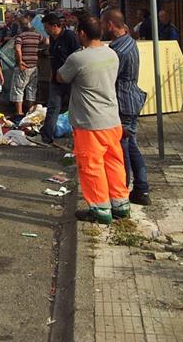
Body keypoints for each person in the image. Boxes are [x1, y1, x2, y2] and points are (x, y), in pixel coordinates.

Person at [57, 16, 129, 224]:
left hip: (90, 122)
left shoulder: (78, 59)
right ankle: (120, 204)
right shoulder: (112, 54)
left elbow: (61, 77)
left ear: (81, 34)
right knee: (114, 162)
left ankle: (100, 209)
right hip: (112, 119)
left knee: (91, 166)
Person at [101, 10, 150, 206]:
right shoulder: (129, 41)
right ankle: (141, 188)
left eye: (104, 24)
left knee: (122, 149)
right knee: (131, 146)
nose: (103, 28)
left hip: (123, 102)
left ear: (111, 25)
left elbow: (109, 77)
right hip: (131, 99)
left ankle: (123, 189)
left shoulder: (118, 51)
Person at [42, 12, 80, 146]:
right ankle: (47, 136)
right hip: (56, 80)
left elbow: (77, 56)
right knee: (53, 107)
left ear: (55, 26)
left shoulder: (69, 37)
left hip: (70, 80)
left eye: (47, 27)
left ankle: (78, 138)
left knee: (76, 109)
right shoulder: (52, 38)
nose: (46, 30)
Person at [11, 14, 42, 115]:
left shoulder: (20, 37)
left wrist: (20, 61)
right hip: (34, 66)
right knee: (31, 90)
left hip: (23, 67)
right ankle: (31, 113)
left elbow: (17, 48)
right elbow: (46, 42)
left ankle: (19, 113)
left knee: (19, 90)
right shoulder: (37, 35)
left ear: (20, 26)